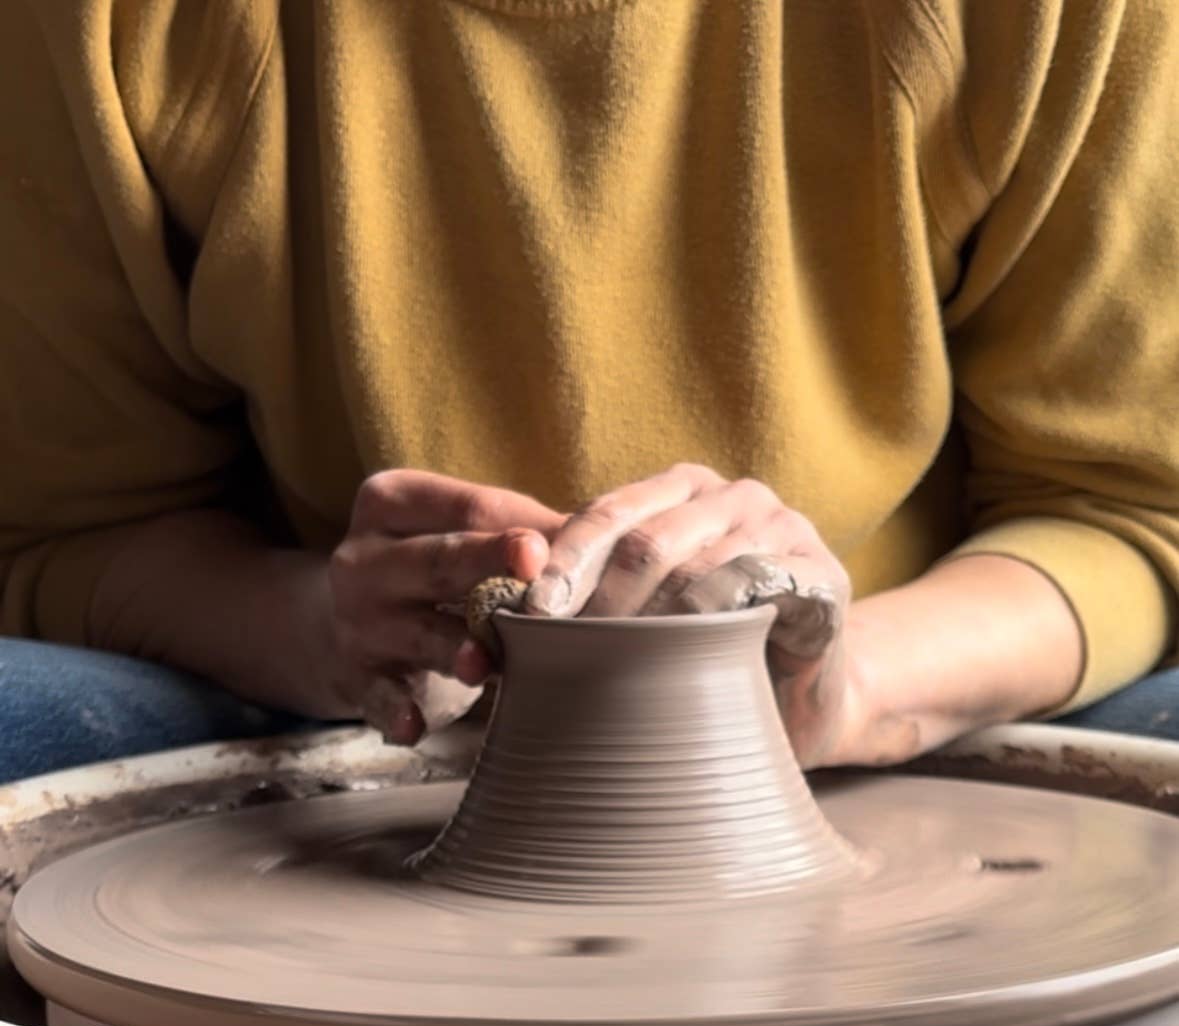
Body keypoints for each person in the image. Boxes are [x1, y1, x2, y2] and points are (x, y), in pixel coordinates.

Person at [1, 0, 1177, 788]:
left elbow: (1130, 517)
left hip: (904, 709)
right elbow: (73, 536)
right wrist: (327, 629)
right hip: (344, 730)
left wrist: (848, 681)